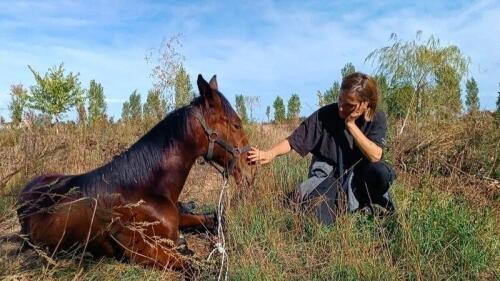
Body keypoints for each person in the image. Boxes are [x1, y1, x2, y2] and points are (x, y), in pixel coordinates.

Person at [248, 72, 396, 225]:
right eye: (340, 101)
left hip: (360, 176)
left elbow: (375, 156)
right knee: (318, 218)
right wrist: (270, 153)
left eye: (349, 105)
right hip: (330, 178)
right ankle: (308, 201)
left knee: (381, 173)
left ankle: (366, 204)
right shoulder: (325, 115)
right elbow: (294, 140)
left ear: (364, 104)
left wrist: (350, 124)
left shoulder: (376, 117)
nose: (340, 108)